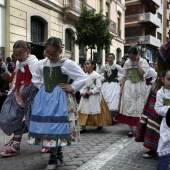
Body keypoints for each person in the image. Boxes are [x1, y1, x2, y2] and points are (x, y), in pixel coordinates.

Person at [28, 37, 87, 170]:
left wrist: (72, 87)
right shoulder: (41, 63)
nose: (51, 57)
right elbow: (35, 77)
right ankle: (57, 154)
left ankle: (54, 157)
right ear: (45, 51)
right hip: (45, 99)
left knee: (58, 126)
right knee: (49, 127)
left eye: (54, 54)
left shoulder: (67, 64)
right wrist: (41, 87)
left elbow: (83, 77)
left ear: (60, 51)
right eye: (48, 53)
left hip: (61, 98)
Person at [0, 40, 39, 157]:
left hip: (32, 95)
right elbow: (15, 76)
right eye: (15, 54)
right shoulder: (18, 63)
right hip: (18, 94)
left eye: (20, 54)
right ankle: (16, 147)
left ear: (28, 51)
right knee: (14, 116)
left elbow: (40, 79)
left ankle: (47, 144)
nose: (17, 57)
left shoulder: (35, 63)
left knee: (35, 119)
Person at [115, 46, 149, 137]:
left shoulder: (143, 62)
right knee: (129, 106)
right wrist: (121, 88)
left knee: (139, 107)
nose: (131, 59)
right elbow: (124, 76)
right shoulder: (127, 62)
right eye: (130, 57)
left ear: (137, 54)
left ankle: (139, 128)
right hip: (129, 86)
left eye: (133, 57)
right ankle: (130, 129)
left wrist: (137, 62)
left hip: (139, 86)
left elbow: (142, 73)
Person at [78, 60, 112, 133]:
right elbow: (82, 86)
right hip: (85, 95)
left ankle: (99, 123)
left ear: (92, 66)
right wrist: (82, 92)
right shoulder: (84, 75)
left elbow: (98, 87)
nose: (85, 66)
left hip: (94, 95)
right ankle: (82, 126)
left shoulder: (96, 75)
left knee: (96, 108)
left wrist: (90, 92)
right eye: (85, 64)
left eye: (87, 64)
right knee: (83, 108)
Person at [99, 53, 123, 122]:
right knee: (105, 98)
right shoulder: (104, 67)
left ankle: (111, 117)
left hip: (114, 85)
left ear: (114, 59)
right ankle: (106, 116)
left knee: (113, 99)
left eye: (112, 58)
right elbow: (98, 73)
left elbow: (124, 73)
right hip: (106, 85)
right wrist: (103, 78)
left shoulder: (116, 66)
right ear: (107, 59)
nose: (110, 59)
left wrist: (118, 78)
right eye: (109, 58)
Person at [155, 69, 170, 170]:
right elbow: (158, 108)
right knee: (165, 143)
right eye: (169, 79)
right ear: (163, 79)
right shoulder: (161, 92)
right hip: (167, 124)